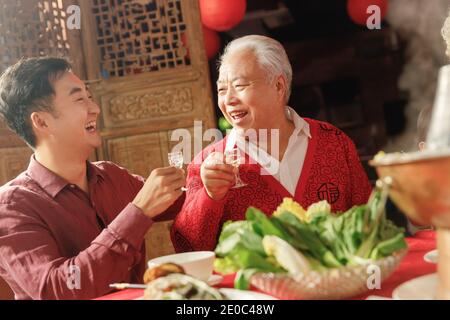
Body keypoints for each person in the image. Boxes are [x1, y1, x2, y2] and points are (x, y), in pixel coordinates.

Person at [0, 58, 186, 299]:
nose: (95, 108)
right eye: (79, 99)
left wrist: (207, 183)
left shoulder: (109, 176)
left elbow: (178, 201)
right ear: (42, 121)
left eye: (89, 96)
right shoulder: (11, 207)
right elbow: (57, 289)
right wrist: (137, 213)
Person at [171, 35, 372, 252]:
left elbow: (369, 221)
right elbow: (187, 249)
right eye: (222, 89)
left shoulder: (333, 141)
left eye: (239, 85)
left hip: (338, 282)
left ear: (278, 86)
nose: (228, 99)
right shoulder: (207, 164)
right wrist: (210, 196)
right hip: (254, 286)